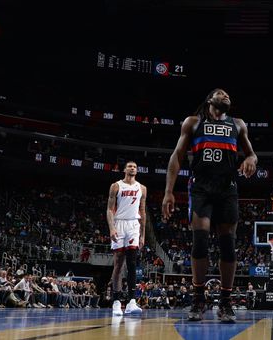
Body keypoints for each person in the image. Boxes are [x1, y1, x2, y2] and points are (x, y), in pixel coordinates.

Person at [162, 88, 257, 323]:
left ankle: (225, 302)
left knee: (228, 245)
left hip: (227, 188)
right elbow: (176, 155)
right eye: (220, 93)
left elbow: (252, 154)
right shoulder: (193, 122)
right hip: (201, 187)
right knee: (200, 241)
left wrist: (250, 159)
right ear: (209, 100)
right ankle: (198, 299)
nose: (226, 95)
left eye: (228, 94)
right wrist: (168, 192)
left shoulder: (238, 124)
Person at [106, 160, 147, 316]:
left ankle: (131, 301)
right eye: (130, 166)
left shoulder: (142, 188)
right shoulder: (116, 186)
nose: (133, 168)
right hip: (119, 224)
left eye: (135, 167)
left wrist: (142, 234)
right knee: (118, 263)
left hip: (133, 226)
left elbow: (142, 212)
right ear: (124, 169)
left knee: (132, 264)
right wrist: (111, 228)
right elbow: (110, 210)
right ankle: (116, 301)